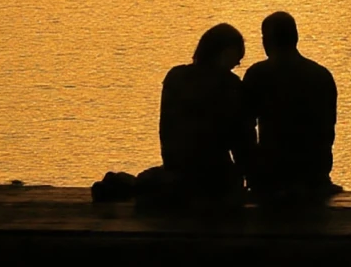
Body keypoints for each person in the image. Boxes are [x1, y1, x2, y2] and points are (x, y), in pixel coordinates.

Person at [139, 22, 249, 204]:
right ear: (225, 52)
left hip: (178, 172)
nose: (238, 63)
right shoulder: (231, 85)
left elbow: (165, 129)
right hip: (215, 177)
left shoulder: (174, 77)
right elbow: (241, 141)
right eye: (237, 55)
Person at [242, 11, 338, 202]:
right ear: (296, 37)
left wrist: (252, 174)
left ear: (267, 41)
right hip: (313, 176)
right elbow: (327, 131)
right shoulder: (321, 75)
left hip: (272, 177)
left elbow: (244, 130)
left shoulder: (257, 75)